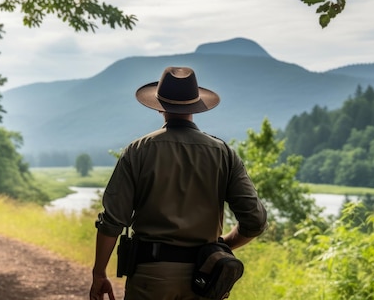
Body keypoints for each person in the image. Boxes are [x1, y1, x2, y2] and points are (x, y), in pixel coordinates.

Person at [89, 66, 268, 300]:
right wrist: (222, 246)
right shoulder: (224, 153)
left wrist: (99, 272)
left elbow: (113, 220)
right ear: (195, 107)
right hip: (205, 278)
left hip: (150, 277)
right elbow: (255, 221)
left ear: (159, 106)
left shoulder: (137, 151)